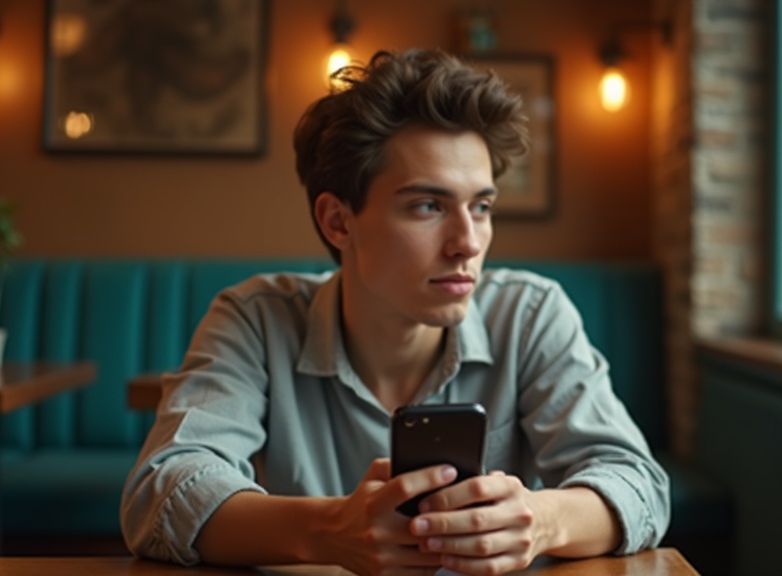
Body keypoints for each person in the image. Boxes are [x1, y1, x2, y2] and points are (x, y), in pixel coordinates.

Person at [120, 48, 670, 575]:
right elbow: (162, 492)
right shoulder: (255, 319)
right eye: (428, 206)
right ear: (339, 221)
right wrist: (330, 531)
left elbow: (638, 483)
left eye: (481, 207)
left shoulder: (529, 314)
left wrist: (541, 521)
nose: (467, 242)